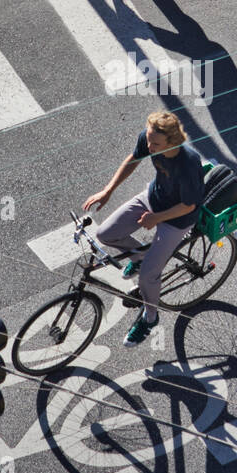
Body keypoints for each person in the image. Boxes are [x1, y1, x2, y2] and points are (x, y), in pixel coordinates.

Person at [82, 111, 204, 345]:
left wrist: (156, 218)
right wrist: (108, 190)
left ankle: (150, 317)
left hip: (177, 218)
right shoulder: (151, 140)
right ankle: (141, 256)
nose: (149, 146)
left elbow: (188, 206)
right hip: (153, 199)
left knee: (148, 276)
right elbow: (133, 159)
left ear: (173, 141)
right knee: (105, 234)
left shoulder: (188, 163)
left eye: (155, 143)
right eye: (148, 140)